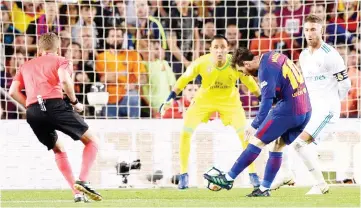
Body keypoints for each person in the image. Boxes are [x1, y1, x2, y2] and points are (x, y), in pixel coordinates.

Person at [204, 48, 312, 197]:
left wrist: (254, 125)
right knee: (277, 146)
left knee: (256, 142)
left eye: (242, 71)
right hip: (305, 110)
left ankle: (228, 178)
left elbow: (266, 103)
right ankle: (263, 189)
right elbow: (282, 83)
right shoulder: (272, 55)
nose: (245, 74)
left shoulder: (264, 70)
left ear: (247, 64)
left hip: (289, 109)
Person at [8, 33, 102, 202]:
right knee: (92, 140)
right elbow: (65, 81)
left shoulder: (25, 66)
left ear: (39, 49)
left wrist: (30, 106)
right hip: (54, 106)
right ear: (58, 48)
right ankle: (83, 180)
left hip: (33, 112)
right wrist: (75, 103)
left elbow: (13, 92)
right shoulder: (61, 60)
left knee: (58, 149)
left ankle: (77, 194)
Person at [160, 35, 262, 189]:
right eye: (216, 47)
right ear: (210, 49)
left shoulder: (235, 63)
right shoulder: (201, 62)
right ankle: (183, 175)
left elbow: (249, 81)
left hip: (230, 102)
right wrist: (170, 97)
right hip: (203, 101)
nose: (219, 51)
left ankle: (253, 175)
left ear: (228, 49)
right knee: (185, 133)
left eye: (222, 47)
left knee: (245, 136)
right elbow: (184, 79)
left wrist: (262, 98)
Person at [271, 14, 351, 195]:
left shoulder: (331, 56)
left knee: (299, 144)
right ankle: (286, 174)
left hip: (327, 110)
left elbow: (345, 83)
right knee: (281, 138)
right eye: (306, 30)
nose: (309, 33)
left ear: (321, 30)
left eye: (313, 29)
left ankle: (319, 184)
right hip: (309, 108)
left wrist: (332, 102)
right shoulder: (304, 55)